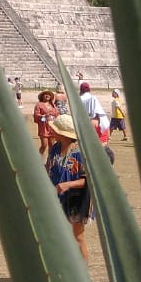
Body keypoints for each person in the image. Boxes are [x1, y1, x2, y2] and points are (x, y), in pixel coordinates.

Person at [46, 112, 93, 261]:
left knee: (78, 237)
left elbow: (90, 180)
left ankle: (83, 276)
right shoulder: (54, 148)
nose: (52, 132)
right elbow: (49, 169)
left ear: (64, 134)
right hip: (56, 197)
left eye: (55, 131)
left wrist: (68, 184)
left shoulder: (81, 153)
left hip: (76, 200)